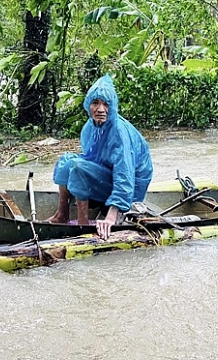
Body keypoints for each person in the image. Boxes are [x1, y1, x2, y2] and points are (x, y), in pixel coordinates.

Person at [47, 74, 154, 239]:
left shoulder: (119, 132)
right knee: (66, 161)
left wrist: (112, 215)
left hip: (131, 190)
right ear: (88, 105)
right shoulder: (89, 127)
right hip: (107, 175)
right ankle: (62, 214)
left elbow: (125, 176)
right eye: (95, 103)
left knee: (77, 167)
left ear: (113, 107)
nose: (101, 109)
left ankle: (82, 225)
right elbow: (92, 159)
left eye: (106, 104)